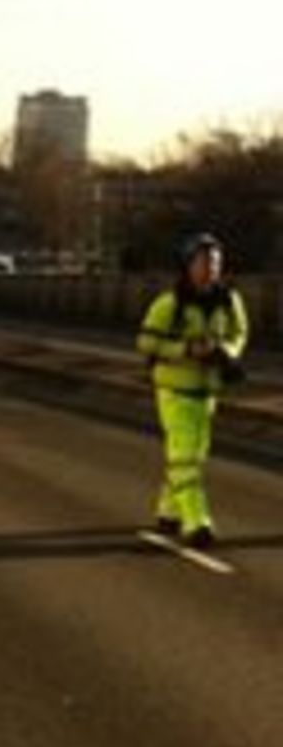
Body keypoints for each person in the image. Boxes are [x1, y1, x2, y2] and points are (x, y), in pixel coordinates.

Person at [136, 231, 249, 548]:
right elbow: (145, 342)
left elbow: (241, 332)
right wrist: (185, 350)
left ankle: (168, 511)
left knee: (192, 455)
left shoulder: (230, 300)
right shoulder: (168, 303)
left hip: (208, 391)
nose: (211, 267)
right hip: (174, 389)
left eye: (216, 261)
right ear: (187, 264)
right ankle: (196, 521)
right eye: (204, 261)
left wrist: (227, 351)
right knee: (185, 456)